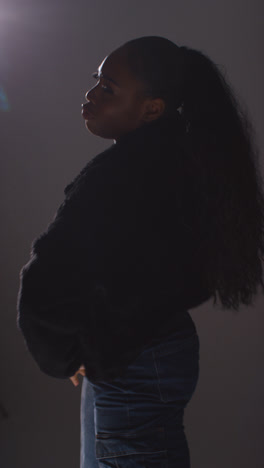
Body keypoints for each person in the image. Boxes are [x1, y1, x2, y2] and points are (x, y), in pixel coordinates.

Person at [16, 36, 264, 468]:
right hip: (159, 349)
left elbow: (46, 284)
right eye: (96, 81)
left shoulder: (117, 177)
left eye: (108, 88)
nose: (91, 94)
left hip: (128, 362)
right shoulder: (187, 164)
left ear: (153, 108)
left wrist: (64, 355)